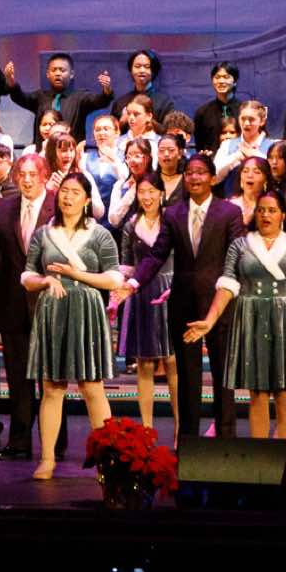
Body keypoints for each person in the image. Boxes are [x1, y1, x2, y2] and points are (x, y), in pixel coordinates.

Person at [182, 191, 286, 442]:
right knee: (257, 393)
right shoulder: (240, 245)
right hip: (251, 318)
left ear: (283, 215)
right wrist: (210, 320)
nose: (266, 215)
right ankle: (261, 457)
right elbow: (227, 285)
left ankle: (284, 455)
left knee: (284, 393)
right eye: (261, 210)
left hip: (285, 320)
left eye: (272, 210)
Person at [16, 174, 122, 478]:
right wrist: (45, 280)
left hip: (87, 309)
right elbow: (27, 276)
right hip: (53, 309)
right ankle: (48, 459)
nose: (68, 197)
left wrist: (75, 275)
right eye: (64, 191)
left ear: (87, 200)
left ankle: (107, 459)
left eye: (75, 192)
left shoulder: (100, 235)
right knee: (52, 387)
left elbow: (114, 278)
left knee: (92, 387)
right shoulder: (44, 233)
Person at [163, 153, 244, 441]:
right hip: (183, 303)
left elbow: (236, 255)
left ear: (211, 178)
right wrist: (133, 282)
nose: (194, 177)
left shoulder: (229, 212)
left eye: (200, 172)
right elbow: (157, 254)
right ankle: (187, 442)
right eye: (189, 173)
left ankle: (226, 439)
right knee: (187, 377)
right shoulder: (173, 213)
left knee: (223, 374)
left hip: (220, 303)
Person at [0, 153, 57, 459]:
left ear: (44, 176)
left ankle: (55, 444)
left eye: (32, 174)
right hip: (12, 304)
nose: (26, 180)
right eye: (22, 175)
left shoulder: (60, 204)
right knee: (17, 377)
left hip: (52, 302)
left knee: (52, 378)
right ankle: (19, 441)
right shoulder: (3, 209)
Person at [111, 179, 175, 445]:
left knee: (172, 362)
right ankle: (147, 430)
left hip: (170, 290)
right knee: (145, 364)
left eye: (151, 191)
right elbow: (127, 264)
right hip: (139, 292)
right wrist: (118, 294)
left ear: (161, 193)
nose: (146, 197)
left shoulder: (172, 220)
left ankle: (180, 430)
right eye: (142, 192)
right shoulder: (131, 225)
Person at [7, 51, 114, 143]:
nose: (58, 73)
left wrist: (107, 90)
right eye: (54, 70)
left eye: (62, 70)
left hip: (70, 153)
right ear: (48, 74)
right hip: (44, 155)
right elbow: (20, 97)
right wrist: (11, 82)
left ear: (71, 74)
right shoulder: (39, 97)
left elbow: (100, 101)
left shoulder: (80, 97)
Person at [211, 100, 273, 194]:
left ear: (262, 121)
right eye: (243, 119)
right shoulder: (227, 144)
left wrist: (255, 155)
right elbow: (214, 177)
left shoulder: (273, 145)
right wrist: (237, 156)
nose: (246, 123)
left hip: (264, 200)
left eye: (251, 119)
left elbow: (277, 175)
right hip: (231, 199)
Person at [106, 49, 174, 126]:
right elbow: (112, 131)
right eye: (137, 66)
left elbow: (169, 131)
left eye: (147, 67)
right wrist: (122, 122)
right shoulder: (120, 103)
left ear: (153, 71)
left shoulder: (164, 103)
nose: (142, 70)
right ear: (131, 70)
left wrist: (146, 120)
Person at [193, 63, 246, 157]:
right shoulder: (202, 112)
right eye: (217, 77)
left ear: (235, 81)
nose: (221, 81)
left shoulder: (245, 111)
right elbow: (200, 145)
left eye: (226, 77)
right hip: (211, 161)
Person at [81, 113, 130, 215]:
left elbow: (125, 179)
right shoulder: (85, 158)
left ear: (117, 132)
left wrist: (114, 159)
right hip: (90, 216)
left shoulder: (126, 156)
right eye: (97, 130)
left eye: (106, 129)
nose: (101, 133)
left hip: (119, 216)